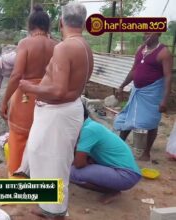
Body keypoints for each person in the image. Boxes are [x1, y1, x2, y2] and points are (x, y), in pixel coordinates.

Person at [17, 2, 93, 219]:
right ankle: (49, 206)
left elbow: (59, 91)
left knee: (53, 161)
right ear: (84, 24)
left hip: (58, 112)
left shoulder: (64, 47)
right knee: (42, 155)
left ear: (61, 22)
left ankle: (55, 210)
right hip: (68, 109)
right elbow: (70, 86)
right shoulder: (84, 46)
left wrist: (31, 87)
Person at [0, 5, 57, 179]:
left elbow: (17, 74)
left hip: (26, 95)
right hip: (48, 95)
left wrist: (4, 101)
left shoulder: (25, 43)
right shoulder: (57, 45)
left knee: (19, 136)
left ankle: (18, 177)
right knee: (42, 138)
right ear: (48, 26)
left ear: (30, 25)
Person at [114, 32, 173, 161]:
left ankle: (146, 153)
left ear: (158, 34)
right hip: (137, 90)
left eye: (149, 33)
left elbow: (168, 77)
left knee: (151, 120)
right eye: (144, 33)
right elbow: (134, 70)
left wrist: (164, 100)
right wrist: (122, 85)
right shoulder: (140, 49)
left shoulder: (164, 53)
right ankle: (119, 145)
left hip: (152, 92)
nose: (145, 36)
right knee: (129, 116)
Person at [70, 105, 141, 204]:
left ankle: (112, 191)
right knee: (72, 167)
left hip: (126, 175)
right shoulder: (90, 125)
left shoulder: (89, 129)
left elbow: (79, 164)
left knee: (71, 172)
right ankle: (111, 187)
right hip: (127, 172)